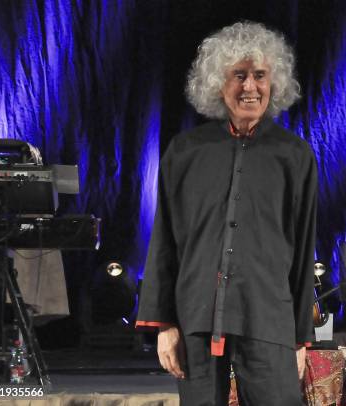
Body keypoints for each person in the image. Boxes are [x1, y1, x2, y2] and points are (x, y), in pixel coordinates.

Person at [136, 21, 317, 406]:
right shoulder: (185, 152)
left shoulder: (295, 156)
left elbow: (302, 251)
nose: (250, 87)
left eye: (260, 76)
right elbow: (164, 242)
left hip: (267, 316)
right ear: (219, 83)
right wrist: (164, 324)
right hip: (196, 317)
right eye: (239, 75)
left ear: (275, 83)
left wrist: (301, 336)